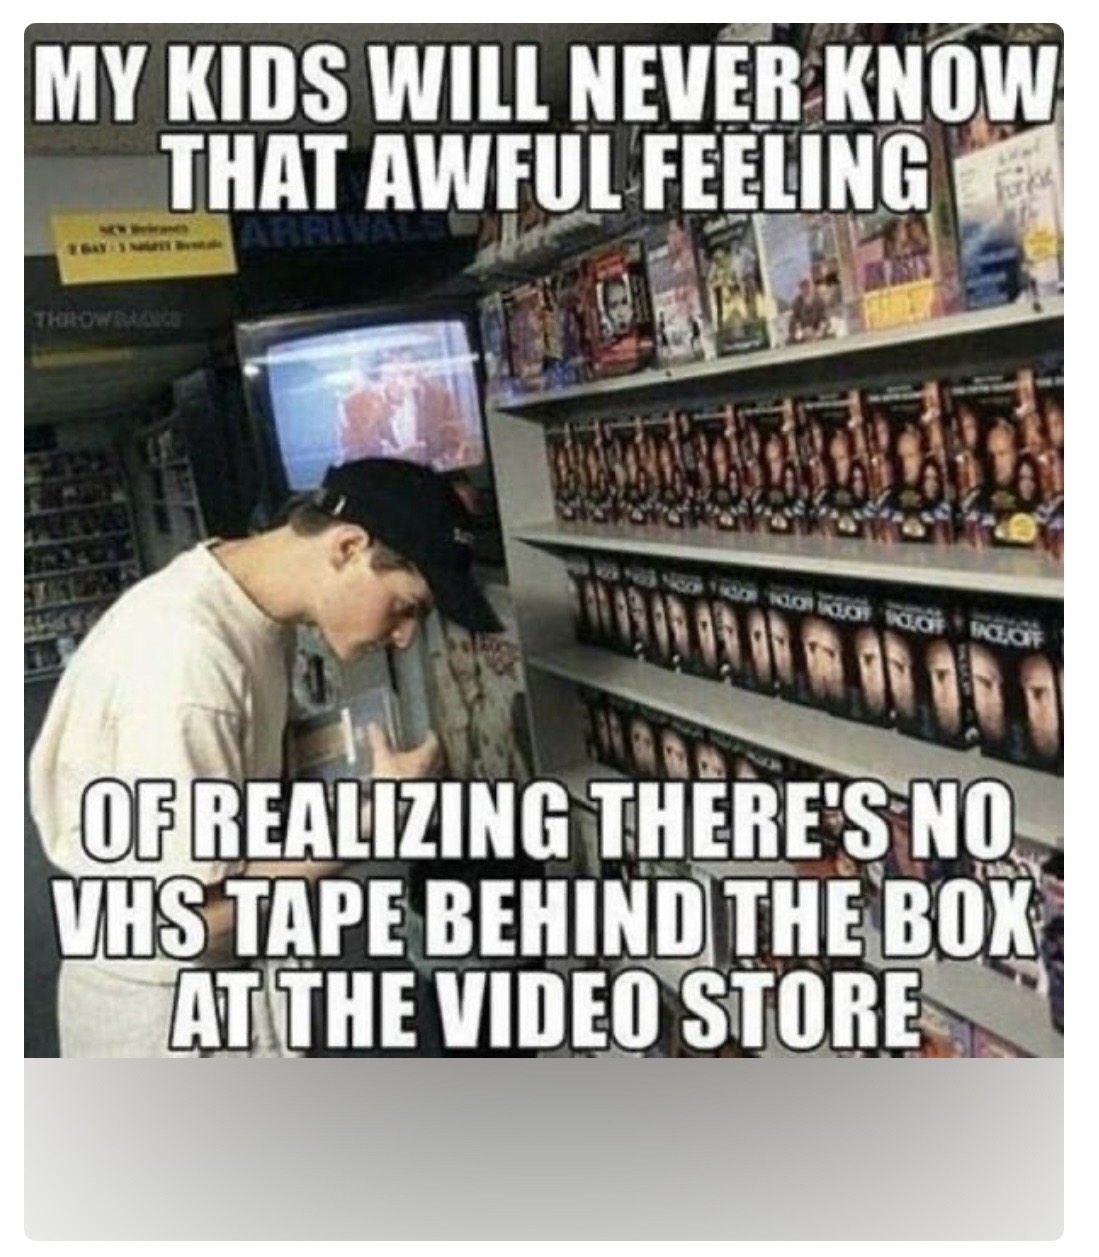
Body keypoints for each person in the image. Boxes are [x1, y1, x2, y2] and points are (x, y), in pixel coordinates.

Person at [29, 458, 502, 1058]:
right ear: (348, 548)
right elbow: (189, 923)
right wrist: (370, 825)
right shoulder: (187, 666)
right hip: (170, 1024)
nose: (405, 635)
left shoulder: (242, 601)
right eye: (406, 606)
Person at [338, 355, 470, 468]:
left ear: (418, 375)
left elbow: (457, 449)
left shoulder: (439, 398)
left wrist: (428, 465)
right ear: (378, 377)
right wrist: (391, 460)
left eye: (407, 374)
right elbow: (352, 461)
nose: (400, 382)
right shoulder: (353, 407)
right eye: (391, 376)